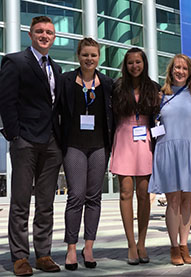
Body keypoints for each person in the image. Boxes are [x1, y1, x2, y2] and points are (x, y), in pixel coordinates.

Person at [0, 16, 62, 275]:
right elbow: (5, 100)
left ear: (54, 37)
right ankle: (20, 258)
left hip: (51, 143)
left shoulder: (56, 68)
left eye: (49, 32)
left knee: (46, 202)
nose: (44, 35)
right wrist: (14, 135)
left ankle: (43, 254)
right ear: (30, 34)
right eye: (39, 31)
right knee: (21, 202)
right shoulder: (15, 62)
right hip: (25, 140)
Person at [148, 54, 191, 266]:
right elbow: (150, 123)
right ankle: (173, 246)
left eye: (184, 68)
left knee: (187, 200)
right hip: (168, 150)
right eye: (176, 67)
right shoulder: (160, 95)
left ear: (190, 72)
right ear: (171, 70)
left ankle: (184, 245)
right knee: (172, 200)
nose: (180, 71)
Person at [61, 38, 114, 271]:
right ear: (78, 56)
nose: (89, 59)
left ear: (98, 57)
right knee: (76, 196)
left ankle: (89, 247)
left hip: (99, 147)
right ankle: (71, 248)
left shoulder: (108, 83)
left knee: (94, 197)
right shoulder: (65, 81)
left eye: (93, 55)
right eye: (85, 55)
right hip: (74, 146)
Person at [110, 48, 160, 265]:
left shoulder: (154, 88)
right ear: (125, 65)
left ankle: (142, 242)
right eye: (130, 62)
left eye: (138, 62)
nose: (134, 66)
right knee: (125, 193)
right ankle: (131, 244)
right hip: (123, 138)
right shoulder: (117, 86)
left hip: (145, 141)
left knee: (143, 194)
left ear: (144, 63)